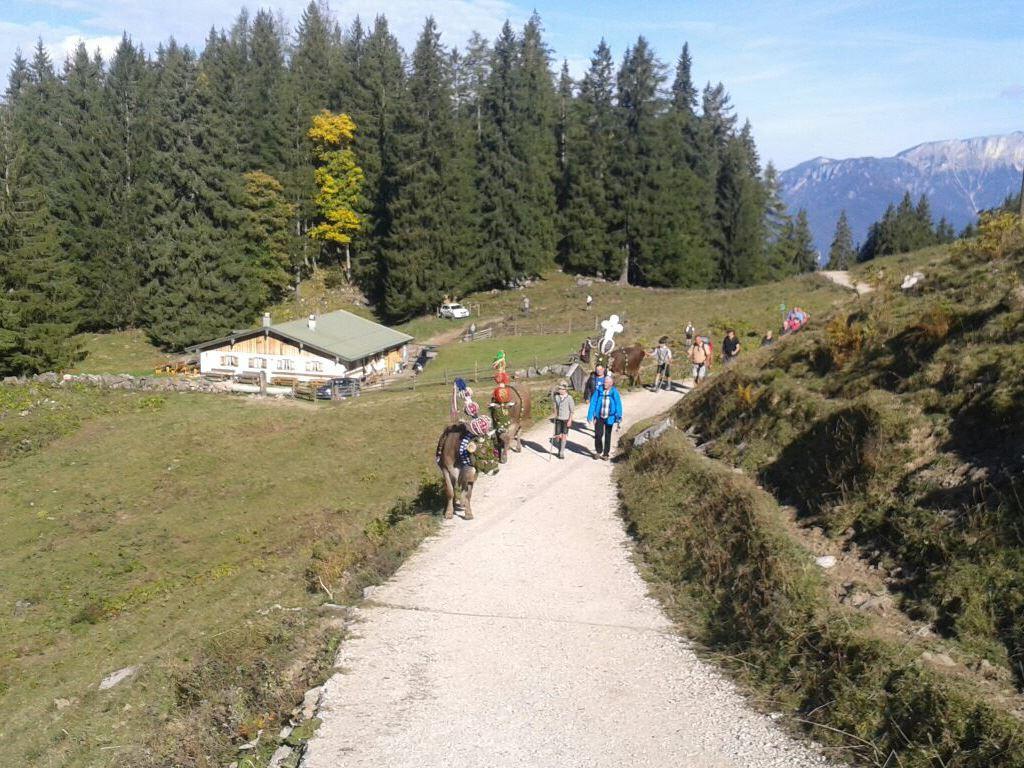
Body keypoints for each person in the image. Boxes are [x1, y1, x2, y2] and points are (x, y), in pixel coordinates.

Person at [586, 375, 622, 460]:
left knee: (607, 435)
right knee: (598, 434)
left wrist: (619, 416)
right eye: (604, 382)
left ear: (611, 383)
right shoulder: (599, 390)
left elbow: (618, 404)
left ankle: (606, 454)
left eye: (606, 382)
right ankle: (599, 451)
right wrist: (590, 415)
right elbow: (593, 403)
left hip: (610, 417)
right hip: (599, 416)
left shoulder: (614, 392)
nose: (604, 383)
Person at [551, 381, 574, 459]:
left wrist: (570, 420)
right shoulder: (557, 397)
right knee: (557, 436)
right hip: (558, 419)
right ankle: (560, 447)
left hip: (565, 419)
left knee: (564, 435)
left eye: (561, 389)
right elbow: (554, 405)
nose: (559, 390)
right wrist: (554, 411)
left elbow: (572, 411)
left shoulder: (569, 398)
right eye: (559, 389)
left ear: (565, 390)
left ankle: (561, 452)